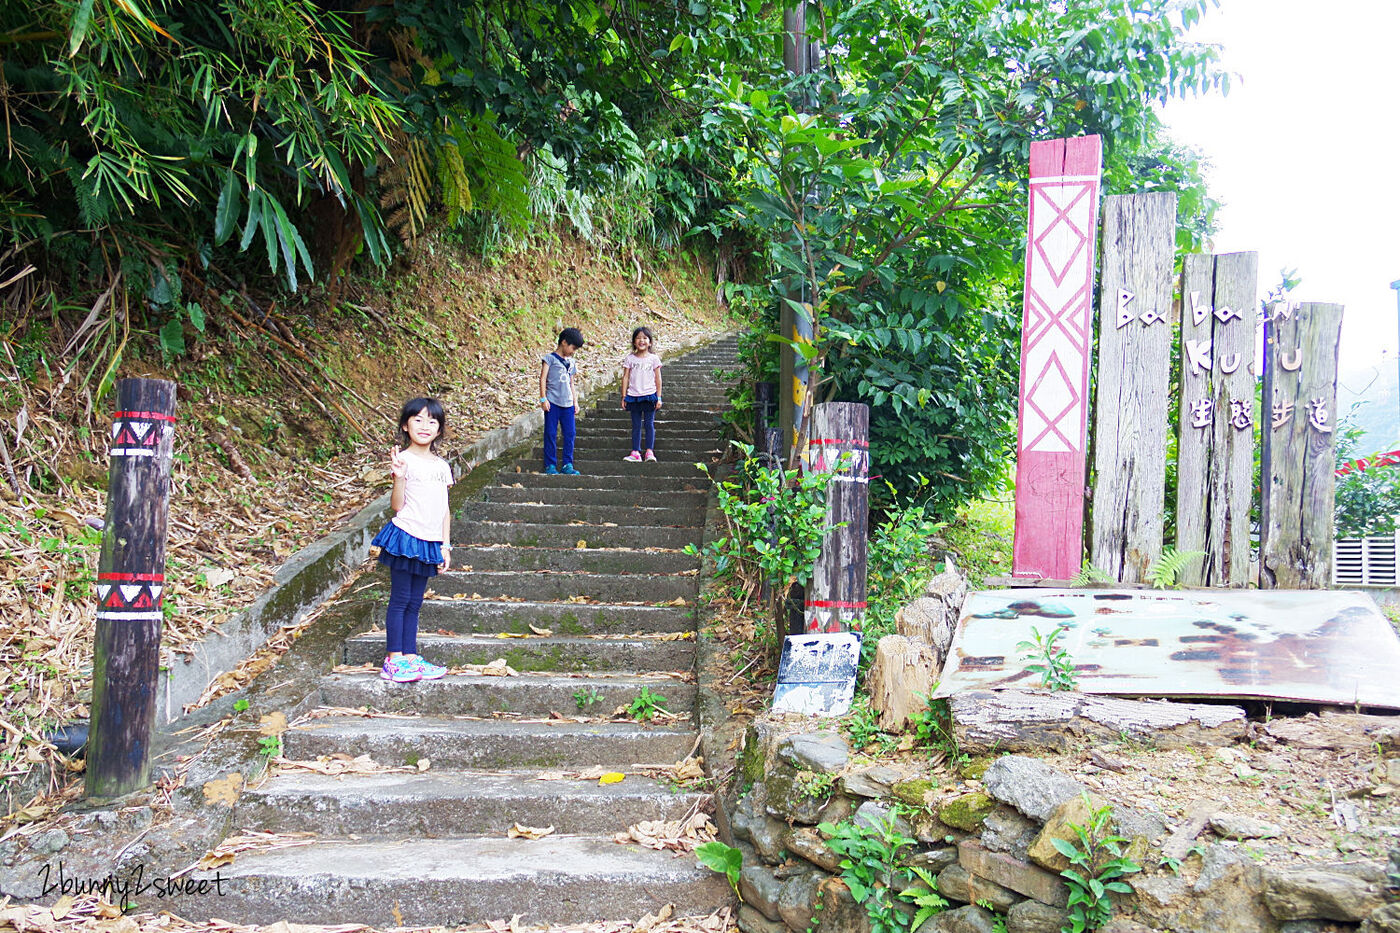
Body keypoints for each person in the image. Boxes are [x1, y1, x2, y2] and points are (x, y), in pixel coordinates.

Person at [370, 397, 456, 683]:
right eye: (417, 419)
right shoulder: (403, 460)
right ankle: (394, 659)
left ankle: (410, 655)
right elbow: (397, 505)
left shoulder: (442, 466)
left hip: (430, 541)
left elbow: (444, 508)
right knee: (401, 599)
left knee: (416, 602)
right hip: (406, 536)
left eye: (432, 421)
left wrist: (445, 545)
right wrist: (399, 477)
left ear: (439, 430)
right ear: (405, 425)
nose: (425, 425)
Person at [540, 326, 585, 475]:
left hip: (568, 404)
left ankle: (567, 463)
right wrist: (543, 398)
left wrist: (575, 401)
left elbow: (571, 383)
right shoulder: (550, 359)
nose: (573, 352)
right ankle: (550, 465)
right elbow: (543, 379)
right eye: (573, 348)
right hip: (552, 403)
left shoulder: (571, 362)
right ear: (564, 343)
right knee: (551, 433)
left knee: (570, 433)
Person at [620, 326, 663, 462]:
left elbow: (658, 378)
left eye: (645, 338)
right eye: (638, 338)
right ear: (634, 342)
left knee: (649, 424)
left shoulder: (654, 358)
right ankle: (635, 452)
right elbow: (625, 377)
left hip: (650, 395)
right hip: (633, 396)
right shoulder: (630, 359)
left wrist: (659, 396)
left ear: (650, 342)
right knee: (636, 425)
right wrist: (624, 396)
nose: (641, 340)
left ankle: (649, 451)